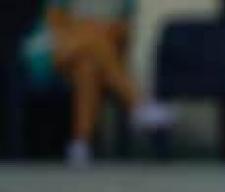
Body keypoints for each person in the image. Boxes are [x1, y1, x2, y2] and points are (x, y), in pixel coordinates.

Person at [20, 0, 173, 166]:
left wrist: (100, 30)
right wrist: (93, 28)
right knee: (93, 38)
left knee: (87, 68)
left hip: (92, 55)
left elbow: (124, 31)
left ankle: (80, 144)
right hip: (50, 48)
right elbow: (55, 24)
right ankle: (138, 104)